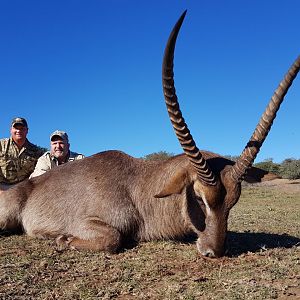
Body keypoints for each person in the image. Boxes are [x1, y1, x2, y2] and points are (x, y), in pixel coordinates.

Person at [0, 117, 44, 189]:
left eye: (22, 128)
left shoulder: (37, 152)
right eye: (16, 128)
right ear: (11, 130)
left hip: (25, 191)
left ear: (27, 131)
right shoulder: (1, 145)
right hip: (2, 189)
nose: (18, 131)